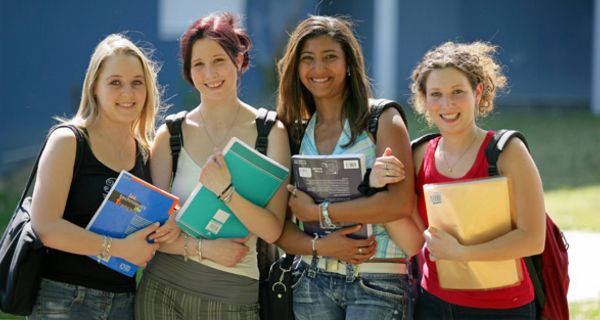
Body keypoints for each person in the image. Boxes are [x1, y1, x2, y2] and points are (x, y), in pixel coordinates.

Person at [134, 12, 290, 319]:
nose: (209, 73)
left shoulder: (270, 133)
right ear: (189, 73)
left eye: (219, 60)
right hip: (161, 291)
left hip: (231, 294)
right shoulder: (170, 135)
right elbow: (151, 231)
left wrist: (226, 192)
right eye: (198, 65)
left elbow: (272, 231)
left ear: (239, 60)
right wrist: (204, 249)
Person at [379, 41, 545, 319]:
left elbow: (532, 240)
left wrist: (461, 252)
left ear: (477, 92)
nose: (447, 104)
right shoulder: (418, 154)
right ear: (423, 99)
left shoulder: (507, 151)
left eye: (458, 92)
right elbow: (413, 242)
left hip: (505, 307)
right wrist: (379, 186)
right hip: (433, 304)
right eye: (436, 94)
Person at [274, 15, 423, 320]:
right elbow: (280, 227)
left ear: (349, 63)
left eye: (330, 57)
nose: (318, 69)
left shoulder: (381, 118)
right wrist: (322, 246)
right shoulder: (295, 131)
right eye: (308, 59)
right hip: (312, 282)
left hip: (378, 280)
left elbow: (399, 202)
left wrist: (319, 213)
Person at [29, 33, 171, 319]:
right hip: (64, 300)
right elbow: (44, 226)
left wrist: (167, 228)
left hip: (124, 302)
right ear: (95, 86)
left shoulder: (145, 151)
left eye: (136, 83)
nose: (128, 93)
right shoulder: (68, 141)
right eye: (115, 82)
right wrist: (118, 249)